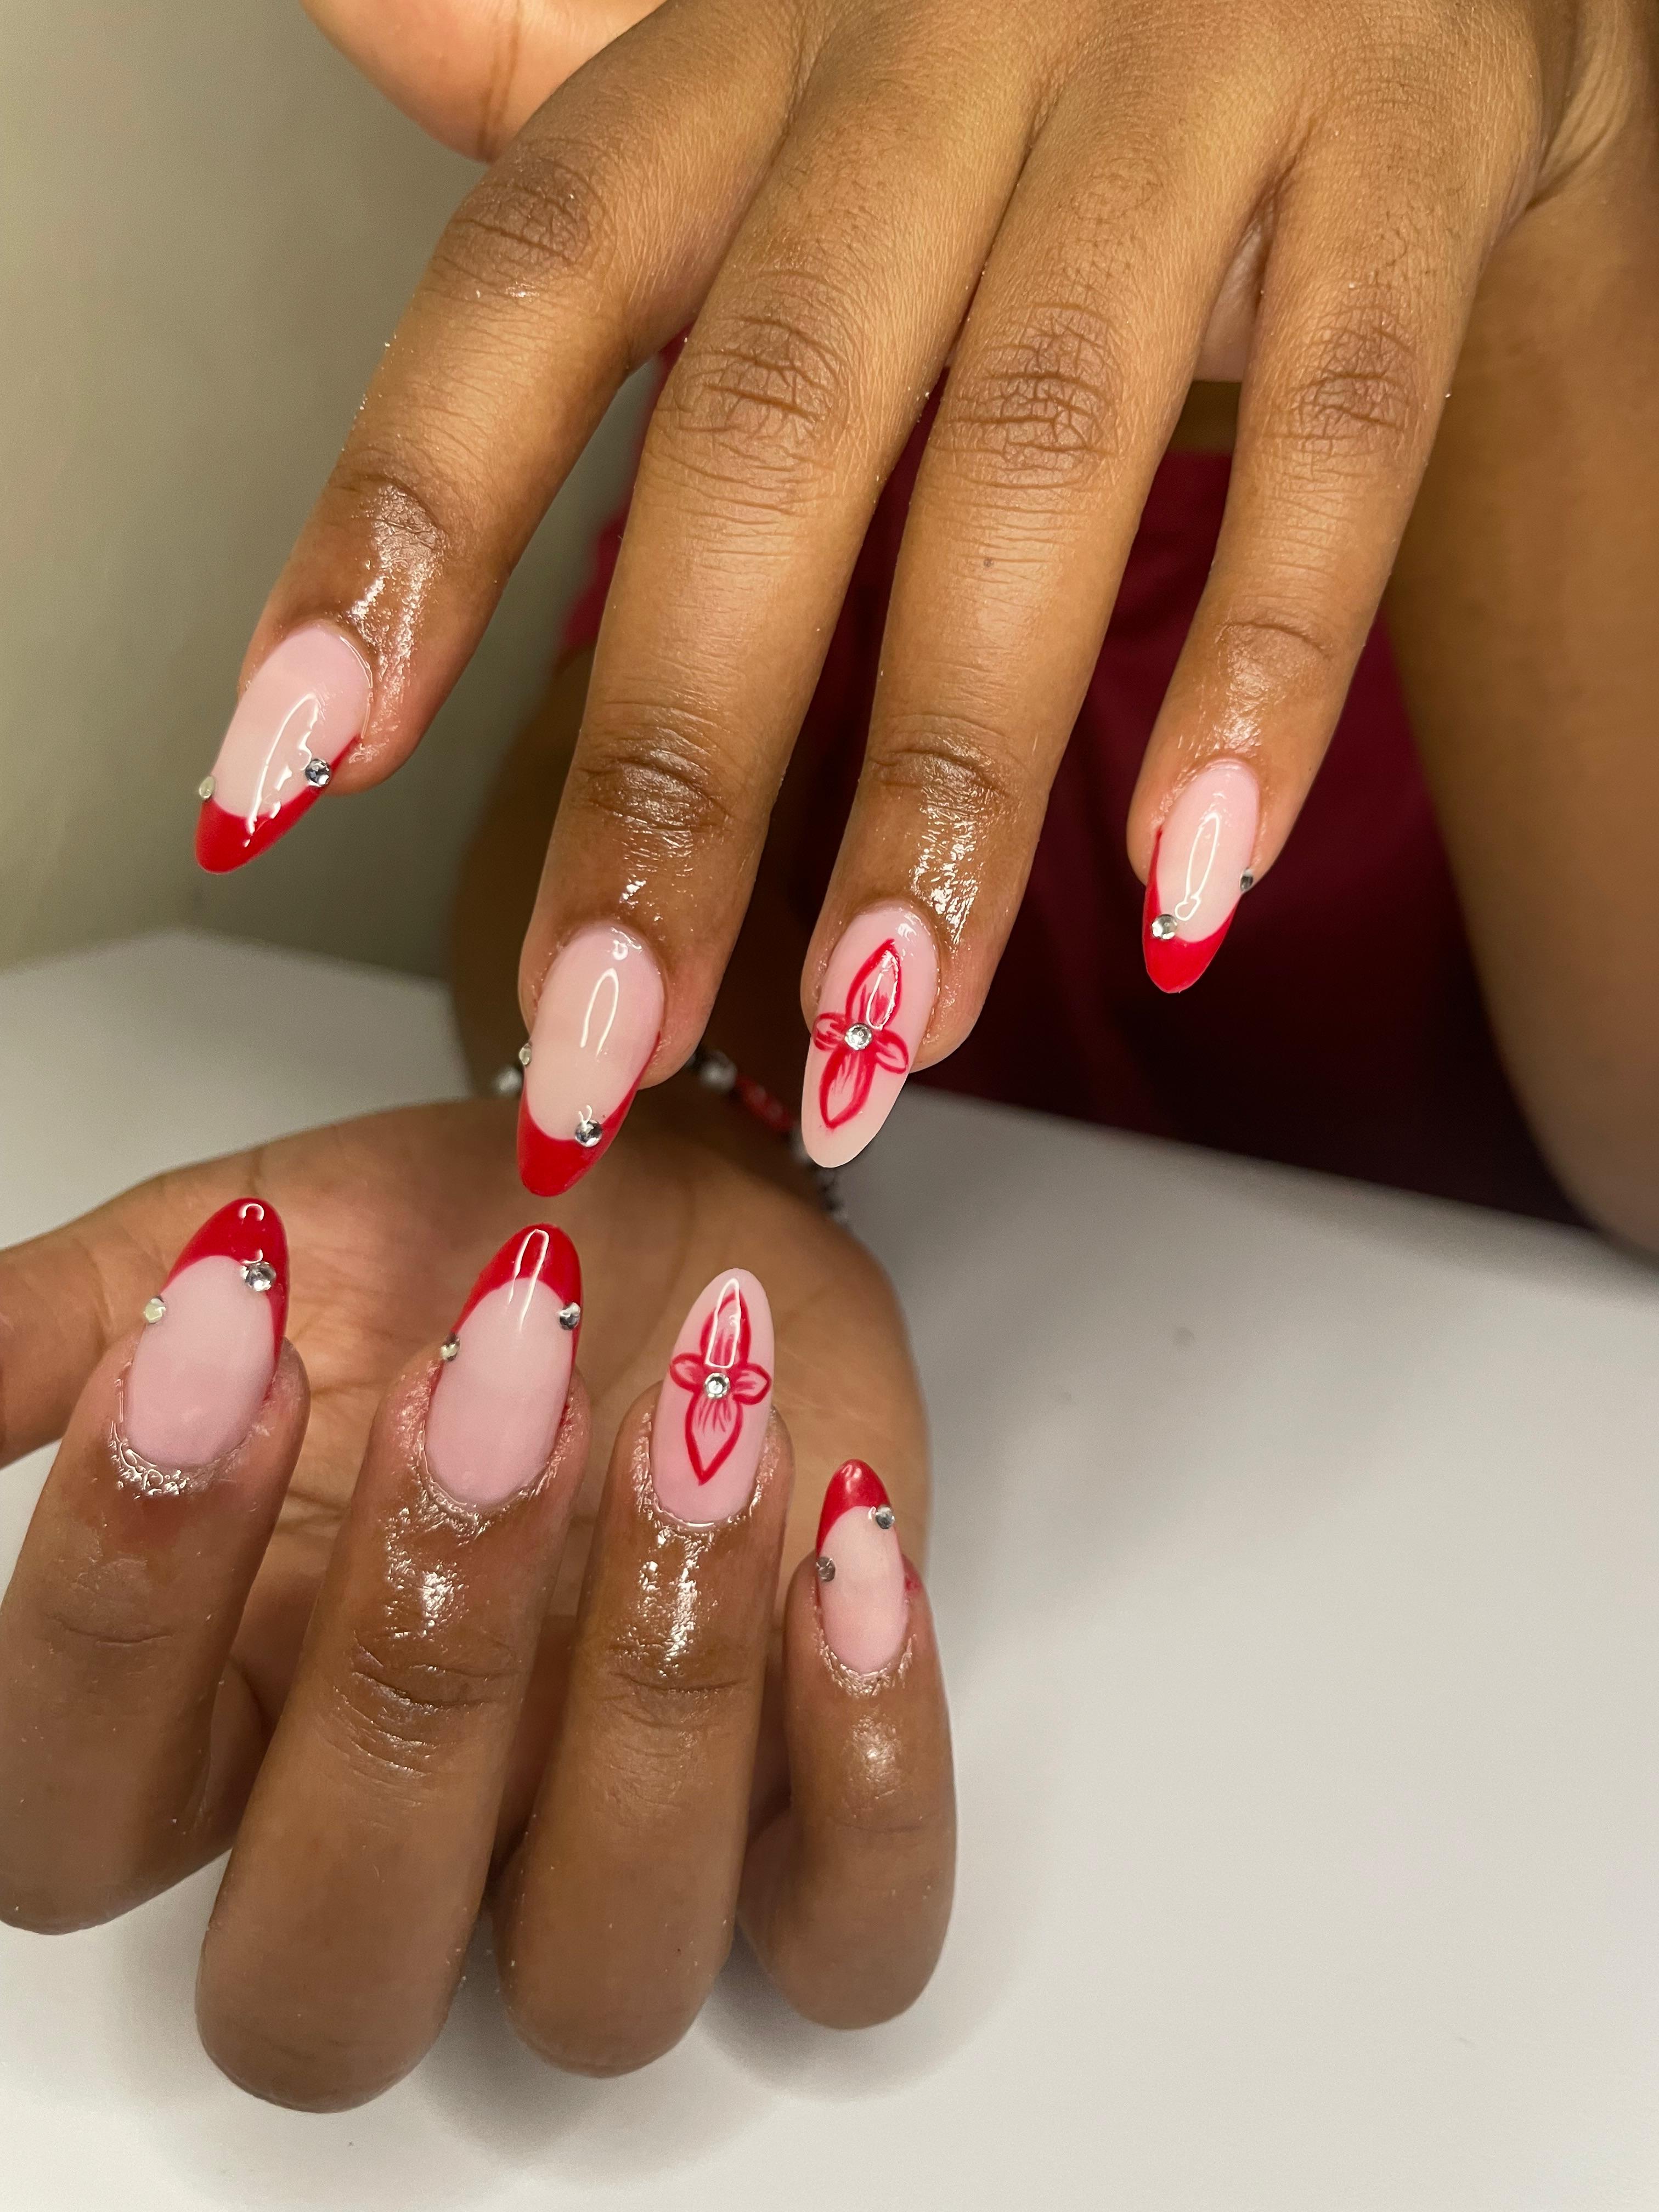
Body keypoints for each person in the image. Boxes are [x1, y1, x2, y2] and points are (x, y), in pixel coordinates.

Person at [4, 0, 1659, 2109]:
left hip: (1496, 1554)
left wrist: (1567, 152)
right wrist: (701, 1116)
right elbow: (621, 777)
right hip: (1104, 1550)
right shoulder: (891, 107)